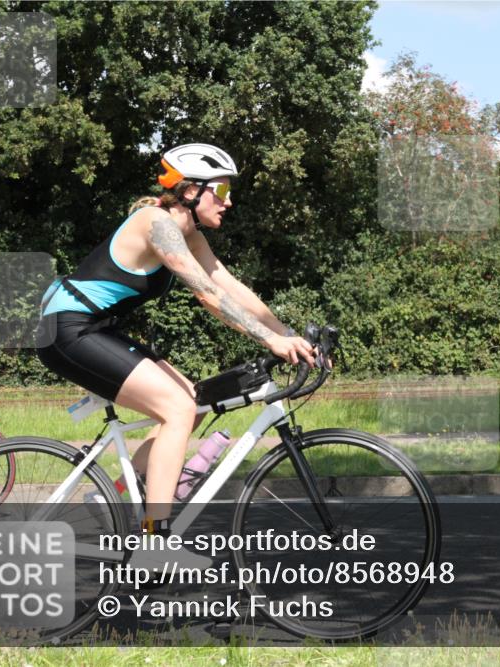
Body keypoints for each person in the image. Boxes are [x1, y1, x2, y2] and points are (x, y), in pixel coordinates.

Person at [36, 143, 315, 563]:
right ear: (190, 191)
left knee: (195, 402)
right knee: (179, 408)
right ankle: (153, 544)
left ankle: (110, 496)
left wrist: (289, 335)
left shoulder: (190, 234)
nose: (229, 201)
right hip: (66, 328)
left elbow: (229, 286)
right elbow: (207, 294)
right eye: (221, 192)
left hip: (97, 328)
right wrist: (268, 340)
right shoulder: (158, 224)